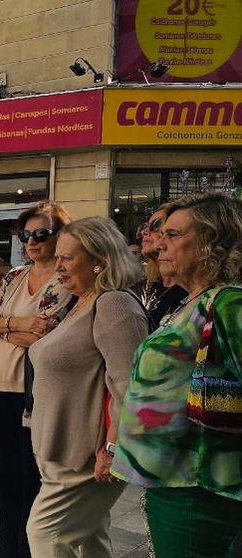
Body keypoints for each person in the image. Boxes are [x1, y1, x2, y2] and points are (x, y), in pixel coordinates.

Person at [113, 192, 242, 557]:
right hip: (175, 482)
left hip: (198, 490)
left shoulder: (229, 303)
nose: (157, 247)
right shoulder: (195, 301)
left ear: (211, 242)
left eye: (172, 235)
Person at [25, 217, 148, 557]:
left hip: (86, 458)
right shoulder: (76, 301)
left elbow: (128, 385)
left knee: (45, 534)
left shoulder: (114, 304)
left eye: (67, 258)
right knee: (92, 539)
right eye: (58, 256)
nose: (58, 265)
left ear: (99, 260)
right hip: (62, 453)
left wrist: (111, 449)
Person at [0, 201, 74, 556]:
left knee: (33, 483)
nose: (31, 241)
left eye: (40, 233)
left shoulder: (67, 281)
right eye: (24, 234)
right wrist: (16, 325)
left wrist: (2, 328)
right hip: (0, 393)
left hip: (36, 396)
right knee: (5, 483)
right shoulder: (14, 277)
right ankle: (6, 549)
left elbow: (45, 336)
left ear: (60, 235)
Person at [135, 205, 188, 332]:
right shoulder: (148, 284)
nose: (144, 232)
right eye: (145, 226)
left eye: (156, 225)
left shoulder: (191, 290)